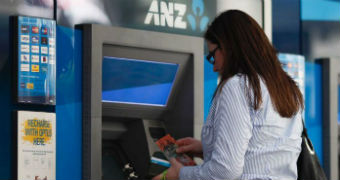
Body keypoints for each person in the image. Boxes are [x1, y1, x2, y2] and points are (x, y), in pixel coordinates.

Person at [153, 9, 304, 180]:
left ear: (228, 47)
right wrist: (207, 148)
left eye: (212, 55)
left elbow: (225, 171)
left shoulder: (238, 86)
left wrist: (180, 174)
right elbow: (264, 149)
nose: (214, 67)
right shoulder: (288, 89)